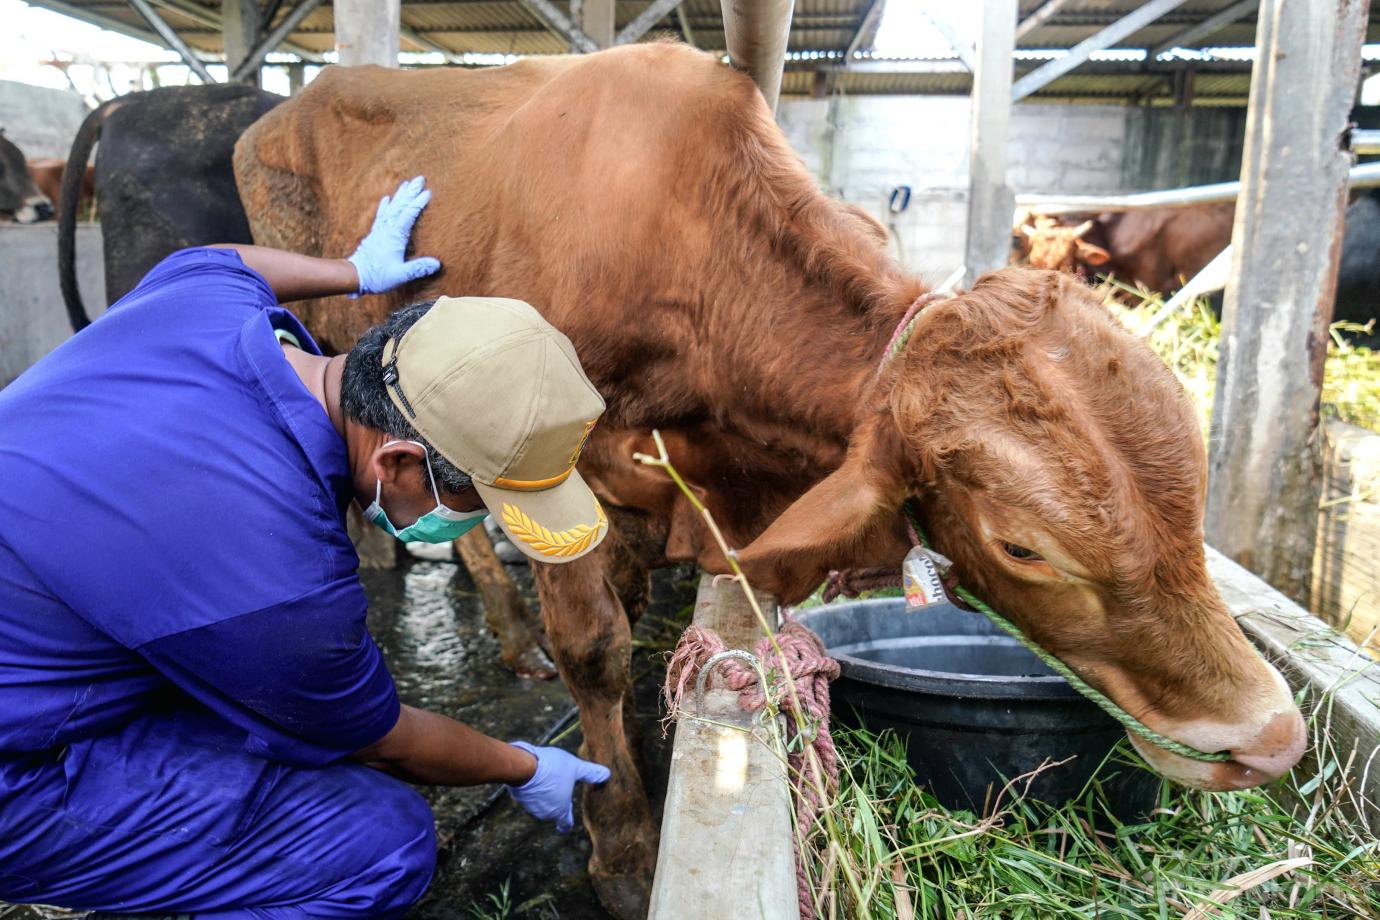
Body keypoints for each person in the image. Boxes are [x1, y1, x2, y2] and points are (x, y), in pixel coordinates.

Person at [0, 177, 612, 918]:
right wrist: (522, 766)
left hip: (36, 631)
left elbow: (218, 258)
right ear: (397, 463)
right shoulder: (282, 574)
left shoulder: (209, 304)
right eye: (476, 504)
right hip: (17, 771)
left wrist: (353, 271)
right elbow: (381, 740)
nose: (470, 525)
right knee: (381, 843)